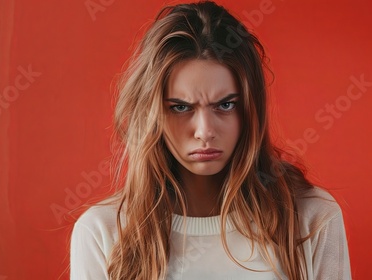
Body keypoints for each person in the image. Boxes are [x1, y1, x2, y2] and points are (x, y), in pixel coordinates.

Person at [70, 1, 351, 279]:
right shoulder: (102, 233)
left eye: (225, 105)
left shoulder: (310, 218)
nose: (204, 131)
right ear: (151, 113)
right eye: (180, 107)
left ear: (251, 109)